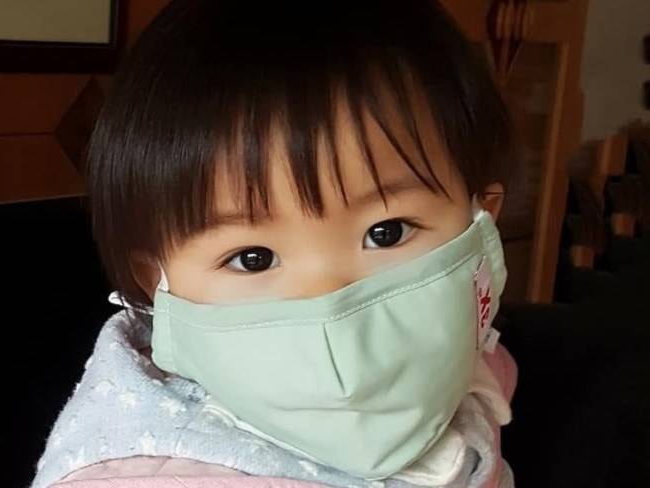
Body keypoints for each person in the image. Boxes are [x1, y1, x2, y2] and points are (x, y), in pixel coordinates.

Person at [31, 2, 518, 487]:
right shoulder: (140, 475)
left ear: (483, 225)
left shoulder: (467, 361)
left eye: (386, 232)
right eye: (253, 259)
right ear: (155, 281)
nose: (327, 299)